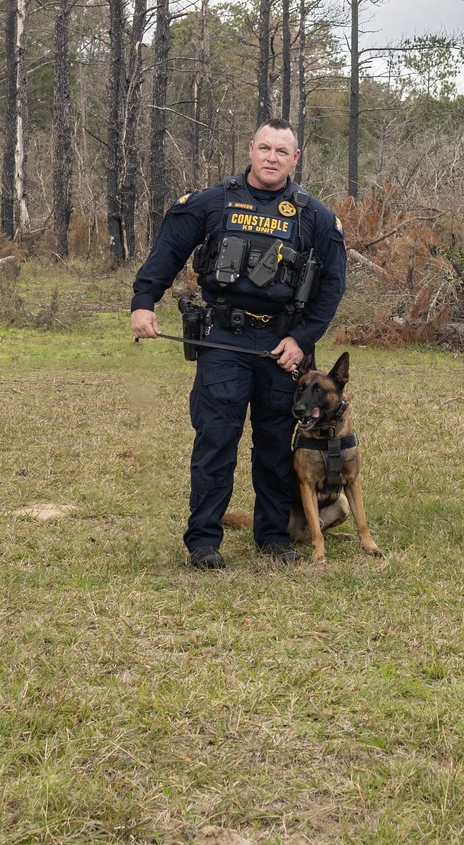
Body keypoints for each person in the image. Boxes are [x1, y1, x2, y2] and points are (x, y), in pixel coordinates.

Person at [130, 119, 347, 569]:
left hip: (281, 345)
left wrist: (301, 339)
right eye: (264, 148)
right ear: (250, 150)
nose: (271, 157)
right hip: (225, 338)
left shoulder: (315, 217)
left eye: (281, 151)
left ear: (295, 158)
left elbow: (333, 287)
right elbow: (167, 251)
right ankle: (204, 541)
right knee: (216, 439)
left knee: (274, 443)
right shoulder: (212, 202)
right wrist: (143, 302)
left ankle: (273, 536)